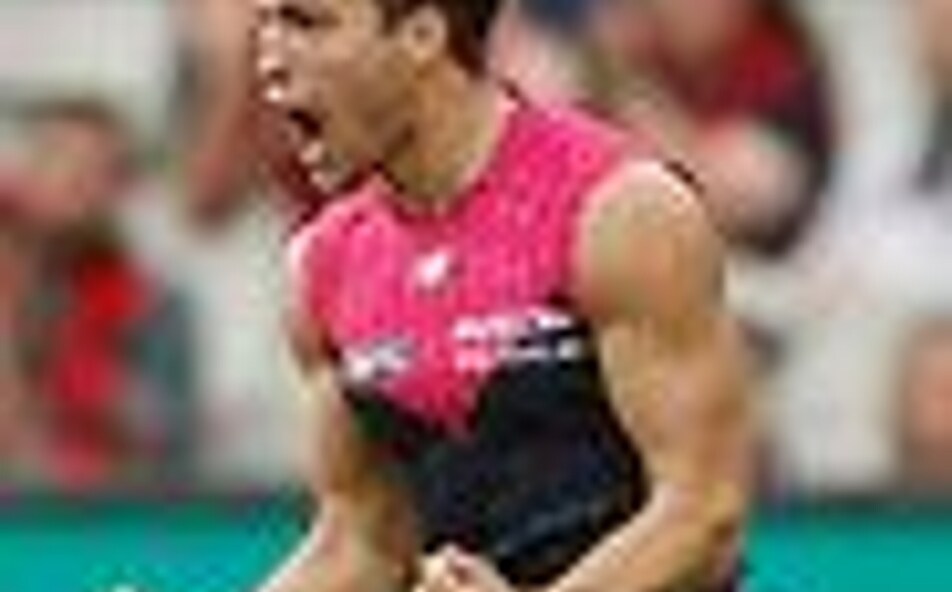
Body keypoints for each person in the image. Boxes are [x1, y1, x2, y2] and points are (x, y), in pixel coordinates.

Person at [254, 0, 752, 591]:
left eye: (306, 22)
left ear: (422, 34)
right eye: (264, 22)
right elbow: (361, 540)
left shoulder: (620, 210)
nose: (268, 60)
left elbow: (703, 515)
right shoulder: (324, 261)